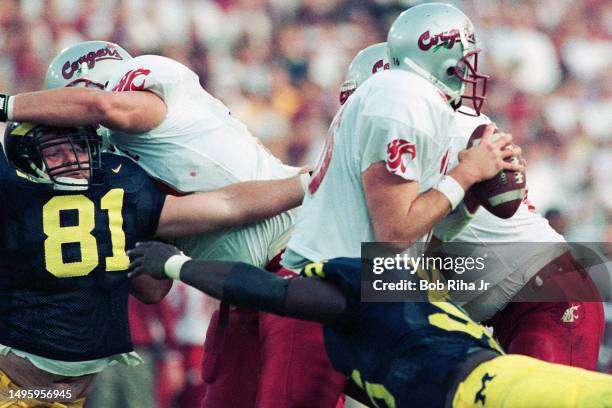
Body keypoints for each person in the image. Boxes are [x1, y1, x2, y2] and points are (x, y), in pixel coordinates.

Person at [0, 40, 342, 407]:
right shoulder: (118, 175)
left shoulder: (145, 92)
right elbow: (153, 286)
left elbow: (225, 205)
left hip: (299, 264)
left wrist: (308, 183)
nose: (74, 141)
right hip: (245, 289)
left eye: (72, 125)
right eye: (57, 144)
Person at [338, 41, 605, 370]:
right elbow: (417, 260)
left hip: (542, 297)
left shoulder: (444, 130)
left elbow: (394, 251)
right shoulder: (397, 145)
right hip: (493, 313)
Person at [0, 121, 305, 407]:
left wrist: (308, 182)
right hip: (13, 382)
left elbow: (226, 207)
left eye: (79, 148)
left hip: (71, 385)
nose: (73, 161)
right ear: (23, 160)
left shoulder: (117, 193)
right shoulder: (12, 202)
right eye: (55, 152)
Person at [127, 242, 612, 408]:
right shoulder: (409, 280)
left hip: (484, 392)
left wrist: (177, 265)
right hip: (501, 379)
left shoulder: (355, 284)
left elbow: (269, 290)